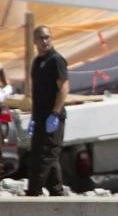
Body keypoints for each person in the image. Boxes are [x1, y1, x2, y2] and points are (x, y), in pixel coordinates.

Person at [24, 24, 68, 197]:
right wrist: (33, 118)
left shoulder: (56, 60)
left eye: (47, 37)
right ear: (34, 41)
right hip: (40, 117)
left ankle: (33, 191)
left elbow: (64, 87)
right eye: (41, 38)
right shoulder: (37, 62)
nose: (45, 41)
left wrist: (55, 113)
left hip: (53, 118)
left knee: (45, 156)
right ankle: (57, 191)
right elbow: (37, 92)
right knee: (41, 154)